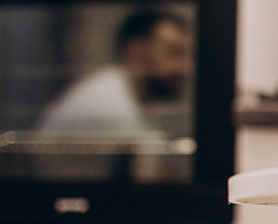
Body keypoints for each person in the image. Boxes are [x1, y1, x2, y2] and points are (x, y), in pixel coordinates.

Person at [37, 10, 192, 134]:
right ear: (136, 51)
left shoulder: (119, 90)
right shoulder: (110, 107)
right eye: (174, 52)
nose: (186, 67)